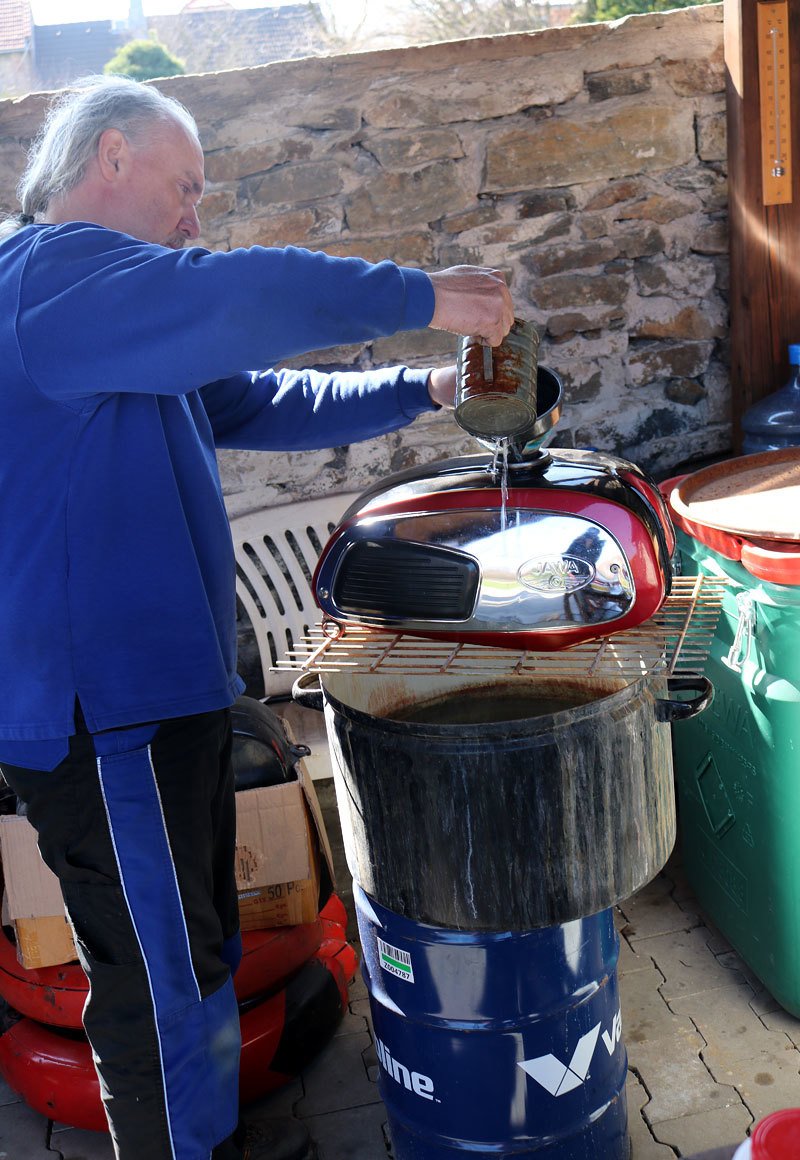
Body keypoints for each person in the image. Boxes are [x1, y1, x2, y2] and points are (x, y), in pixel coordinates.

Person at [0, 76, 513, 1160]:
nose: (194, 216)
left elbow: (259, 397)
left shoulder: (120, 325)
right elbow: (244, 294)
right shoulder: (55, 280)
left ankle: (208, 1136)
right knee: (159, 984)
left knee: (194, 953)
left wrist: (424, 387)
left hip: (161, 700)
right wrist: (426, 292)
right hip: (107, 720)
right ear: (110, 157)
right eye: (183, 186)